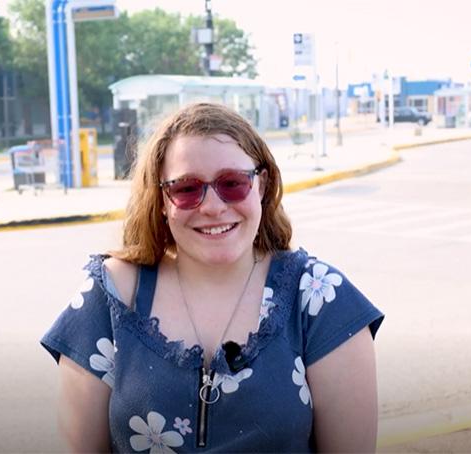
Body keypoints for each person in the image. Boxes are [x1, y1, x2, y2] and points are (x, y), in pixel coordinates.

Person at [41, 103, 384, 453]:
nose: (213, 206)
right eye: (187, 189)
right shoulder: (111, 298)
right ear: (161, 199)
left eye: (232, 183)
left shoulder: (321, 300)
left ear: (261, 186)